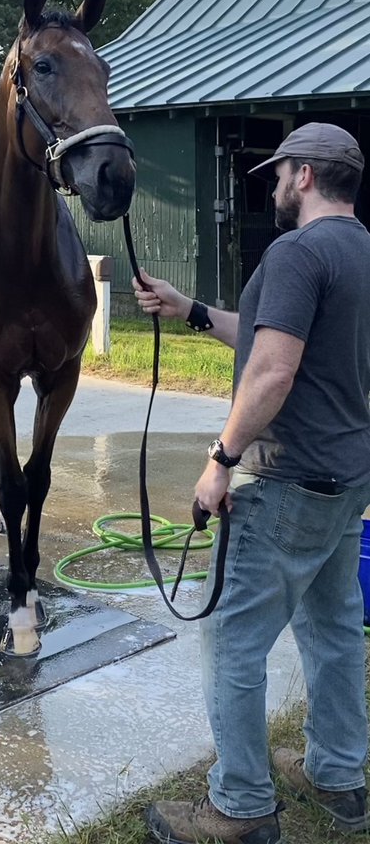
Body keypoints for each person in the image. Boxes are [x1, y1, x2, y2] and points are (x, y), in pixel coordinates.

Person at [134, 123, 370, 844]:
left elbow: (273, 369)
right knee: (331, 629)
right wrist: (193, 311)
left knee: (232, 642)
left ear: (302, 176)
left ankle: (238, 809)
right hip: (345, 479)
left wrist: (221, 460)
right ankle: (338, 776)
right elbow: (279, 337)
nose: (269, 185)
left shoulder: (296, 251)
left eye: (276, 174)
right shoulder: (360, 250)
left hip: (285, 480)